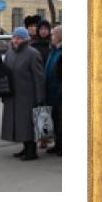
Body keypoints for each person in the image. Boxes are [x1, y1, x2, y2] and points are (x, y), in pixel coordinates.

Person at [1, 27, 46, 161]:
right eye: (14, 37)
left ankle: (31, 151)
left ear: (26, 39)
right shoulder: (9, 54)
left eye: (19, 38)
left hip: (28, 96)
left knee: (28, 124)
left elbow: (39, 78)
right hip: (13, 95)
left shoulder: (33, 54)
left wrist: (40, 97)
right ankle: (25, 148)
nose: (16, 40)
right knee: (19, 124)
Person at [30, 19, 53, 149]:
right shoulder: (33, 45)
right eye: (42, 29)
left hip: (50, 81)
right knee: (40, 110)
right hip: (37, 82)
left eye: (46, 29)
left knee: (49, 110)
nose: (44, 31)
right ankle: (41, 138)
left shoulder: (52, 44)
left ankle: (49, 137)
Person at [45, 25, 62, 156]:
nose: (51, 37)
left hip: (60, 92)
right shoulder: (53, 51)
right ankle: (57, 145)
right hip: (52, 91)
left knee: (62, 121)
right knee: (55, 119)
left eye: (53, 35)